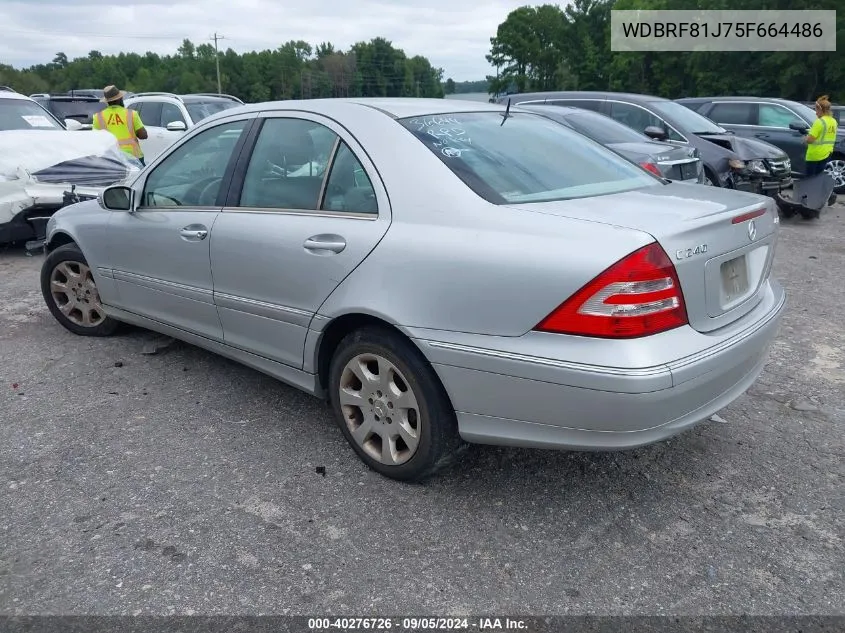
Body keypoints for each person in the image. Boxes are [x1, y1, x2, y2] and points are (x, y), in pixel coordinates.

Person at [92, 84, 148, 165]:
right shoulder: (131, 114)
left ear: (107, 102)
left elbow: (96, 140)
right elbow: (143, 135)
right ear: (119, 99)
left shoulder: (98, 117)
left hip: (110, 158)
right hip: (133, 157)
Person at [803, 94, 838, 177]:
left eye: (816, 109)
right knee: (819, 178)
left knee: (810, 179)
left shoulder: (819, 122)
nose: (815, 112)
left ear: (820, 109)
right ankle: (819, 190)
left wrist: (805, 139)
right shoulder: (833, 121)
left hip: (815, 155)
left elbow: (810, 140)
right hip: (827, 154)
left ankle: (810, 190)